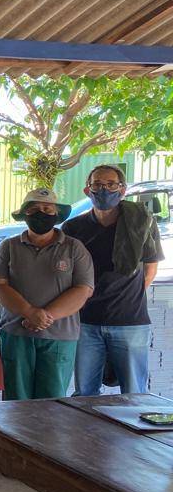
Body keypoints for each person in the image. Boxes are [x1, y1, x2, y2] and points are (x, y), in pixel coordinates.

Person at [63, 165, 163, 395]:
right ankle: (87, 433)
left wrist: (125, 296)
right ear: (88, 190)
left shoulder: (141, 223)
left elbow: (150, 268)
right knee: (85, 394)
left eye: (111, 185)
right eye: (97, 184)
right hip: (85, 322)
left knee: (134, 394)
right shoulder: (73, 227)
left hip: (130, 322)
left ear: (122, 190)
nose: (104, 190)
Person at [0, 187, 94, 400]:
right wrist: (29, 312)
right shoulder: (8, 247)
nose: (41, 213)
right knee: (15, 403)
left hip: (59, 336)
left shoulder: (74, 248)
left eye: (47, 208)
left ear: (56, 214)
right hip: (16, 335)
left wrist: (45, 317)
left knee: (53, 404)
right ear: (24, 215)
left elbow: (83, 290)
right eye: (34, 209)